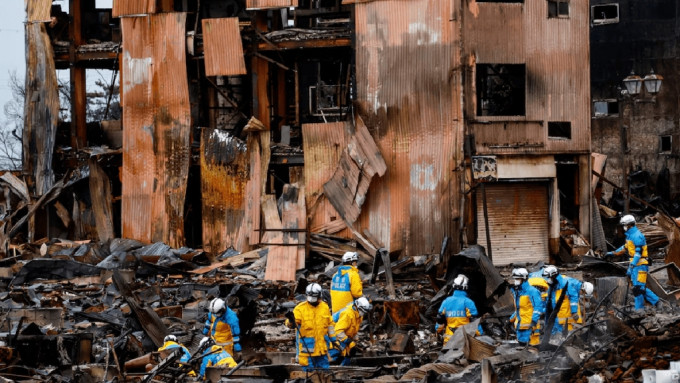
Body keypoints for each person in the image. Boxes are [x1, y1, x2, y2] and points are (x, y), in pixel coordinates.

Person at [606, 214, 660, 310]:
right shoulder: (630, 236)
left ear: (629, 225)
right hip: (635, 265)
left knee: (638, 289)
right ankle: (656, 301)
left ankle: (639, 310)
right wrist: (612, 253)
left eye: (624, 225)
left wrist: (631, 267)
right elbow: (625, 248)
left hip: (641, 265)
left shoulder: (637, 236)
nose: (623, 227)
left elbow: (638, 254)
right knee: (638, 287)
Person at [288, 283, 337, 372]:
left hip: (322, 350)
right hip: (307, 351)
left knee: (325, 374)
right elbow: (291, 323)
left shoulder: (324, 307)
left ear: (319, 296)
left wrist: (334, 340)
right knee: (309, 376)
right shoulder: (300, 309)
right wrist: (291, 321)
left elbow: (330, 325)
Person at [435, 274, 480, 346]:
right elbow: (475, 323)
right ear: (466, 288)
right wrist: (480, 335)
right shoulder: (468, 302)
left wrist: (438, 332)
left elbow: (439, 321)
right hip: (464, 340)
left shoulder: (446, 301)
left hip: (449, 341)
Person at [329, 297, 372, 365]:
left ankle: (345, 369)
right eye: (363, 311)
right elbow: (338, 331)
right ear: (358, 307)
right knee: (338, 353)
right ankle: (334, 367)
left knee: (349, 354)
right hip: (332, 333)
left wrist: (355, 340)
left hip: (341, 334)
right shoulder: (348, 314)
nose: (364, 313)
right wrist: (348, 341)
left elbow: (353, 329)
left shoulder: (359, 315)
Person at [509, 268, 544, 346]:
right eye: (515, 279)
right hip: (520, 327)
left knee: (532, 350)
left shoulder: (532, 291)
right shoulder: (517, 292)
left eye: (517, 279)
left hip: (530, 327)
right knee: (522, 351)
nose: (515, 281)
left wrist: (534, 321)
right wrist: (511, 319)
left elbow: (538, 308)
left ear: (524, 278)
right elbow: (519, 309)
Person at [542, 265, 580, 335]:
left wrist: (574, 311)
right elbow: (550, 301)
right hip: (555, 316)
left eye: (549, 277)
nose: (548, 279)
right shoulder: (552, 286)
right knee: (555, 336)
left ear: (554, 276)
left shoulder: (566, 284)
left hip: (564, 317)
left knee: (565, 336)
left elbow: (573, 297)